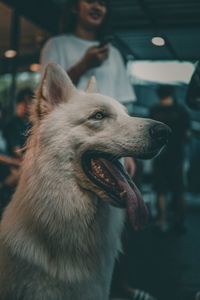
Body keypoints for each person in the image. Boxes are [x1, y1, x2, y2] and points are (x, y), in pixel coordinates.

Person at [40, 1, 156, 299]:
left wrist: (128, 151)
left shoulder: (114, 55)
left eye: (103, 2)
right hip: (77, 139)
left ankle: (117, 286)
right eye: (90, 0)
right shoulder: (58, 45)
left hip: (115, 145)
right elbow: (50, 99)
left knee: (118, 222)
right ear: (74, 7)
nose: (97, 5)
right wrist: (84, 65)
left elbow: (123, 109)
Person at [150, 85, 190, 234]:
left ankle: (161, 222)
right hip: (177, 156)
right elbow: (187, 135)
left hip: (160, 156)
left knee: (160, 190)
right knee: (179, 190)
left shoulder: (154, 110)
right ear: (172, 93)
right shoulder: (181, 111)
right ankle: (180, 222)